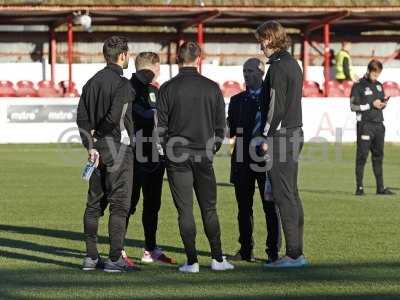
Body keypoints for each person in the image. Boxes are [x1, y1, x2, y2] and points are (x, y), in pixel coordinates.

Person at [157, 41, 234, 273]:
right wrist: (212, 149)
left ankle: (191, 262)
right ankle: (218, 259)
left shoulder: (167, 89)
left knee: (185, 211)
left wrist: (167, 150)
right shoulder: (212, 88)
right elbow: (222, 128)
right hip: (203, 156)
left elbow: (160, 127)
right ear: (199, 58)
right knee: (209, 209)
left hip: (177, 157)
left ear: (178, 59)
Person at [77, 36, 137, 272]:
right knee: (119, 205)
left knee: (93, 205)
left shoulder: (91, 82)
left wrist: (90, 144)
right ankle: (114, 258)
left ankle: (91, 258)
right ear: (122, 56)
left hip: (96, 151)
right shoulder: (123, 84)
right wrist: (101, 134)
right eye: (128, 54)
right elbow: (115, 117)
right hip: (117, 149)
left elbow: (81, 118)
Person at [255, 21, 308, 268]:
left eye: (261, 40)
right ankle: (297, 252)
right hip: (294, 132)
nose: (260, 46)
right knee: (292, 194)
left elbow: (275, 107)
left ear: (269, 38)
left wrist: (266, 136)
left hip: (281, 136)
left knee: (283, 195)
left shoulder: (277, 67)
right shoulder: (292, 63)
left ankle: (294, 255)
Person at [227, 58, 281, 263]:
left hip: (266, 158)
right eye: (244, 71)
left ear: (261, 72)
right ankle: (246, 249)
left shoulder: (272, 99)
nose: (246, 74)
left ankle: (273, 252)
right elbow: (231, 130)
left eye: (250, 70)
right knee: (243, 207)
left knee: (270, 206)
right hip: (241, 159)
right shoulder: (236, 100)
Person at [124, 52, 176, 265]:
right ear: (153, 66)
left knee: (153, 203)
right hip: (133, 155)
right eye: (159, 66)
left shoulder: (155, 90)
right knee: (128, 203)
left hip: (155, 155)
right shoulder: (127, 89)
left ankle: (150, 249)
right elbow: (138, 116)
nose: (160, 70)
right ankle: (119, 250)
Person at [350, 59, 395, 196]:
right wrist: (371, 105)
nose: (376, 77)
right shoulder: (358, 86)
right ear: (369, 71)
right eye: (374, 74)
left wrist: (383, 104)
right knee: (362, 157)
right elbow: (353, 107)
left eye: (378, 75)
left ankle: (380, 188)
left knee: (378, 157)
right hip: (365, 125)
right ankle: (360, 188)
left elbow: (379, 102)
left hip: (379, 125)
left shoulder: (380, 86)